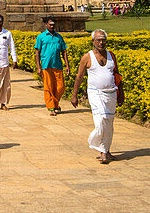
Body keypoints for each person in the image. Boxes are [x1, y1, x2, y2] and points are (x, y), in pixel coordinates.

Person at [71, 29, 118, 164]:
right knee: (101, 120)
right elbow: (79, 77)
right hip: (95, 93)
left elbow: (117, 76)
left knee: (108, 122)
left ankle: (105, 151)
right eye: (98, 40)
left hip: (111, 94)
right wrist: (75, 95)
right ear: (93, 41)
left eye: (103, 39)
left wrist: (121, 93)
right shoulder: (87, 57)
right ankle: (99, 147)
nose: (101, 42)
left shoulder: (111, 56)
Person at [34, 16, 70, 116]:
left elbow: (64, 51)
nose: (52, 26)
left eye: (53, 25)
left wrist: (67, 65)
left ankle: (55, 103)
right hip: (46, 65)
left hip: (57, 65)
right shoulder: (41, 37)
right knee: (48, 87)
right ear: (46, 25)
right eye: (50, 24)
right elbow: (37, 52)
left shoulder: (59, 37)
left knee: (60, 87)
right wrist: (38, 67)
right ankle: (51, 108)